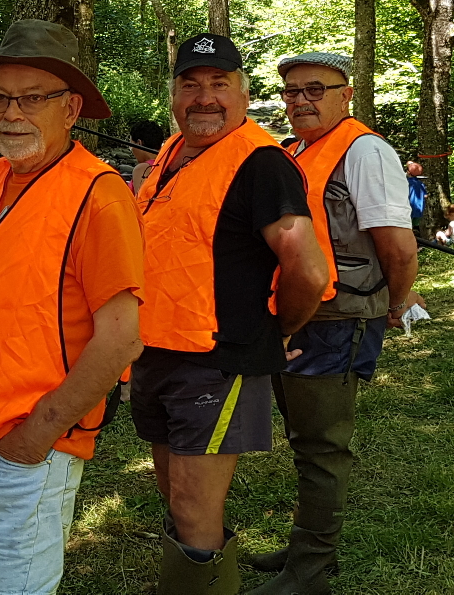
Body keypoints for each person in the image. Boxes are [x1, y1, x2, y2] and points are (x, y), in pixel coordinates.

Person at [0, 20, 145, 595]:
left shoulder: (100, 194)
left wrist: (38, 434)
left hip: (24, 446)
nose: (10, 113)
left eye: (32, 98)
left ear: (70, 110)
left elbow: (121, 338)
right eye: (0, 97)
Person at [129, 33, 329, 595]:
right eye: (191, 85)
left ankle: (200, 586)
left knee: (193, 501)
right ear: (173, 95)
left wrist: (277, 329)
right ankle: (196, 581)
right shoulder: (171, 155)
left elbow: (308, 271)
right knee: (174, 489)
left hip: (219, 358)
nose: (204, 98)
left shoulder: (263, 164)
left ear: (242, 92)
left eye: (219, 84)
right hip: (157, 351)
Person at [247, 52, 423, 595]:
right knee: (304, 440)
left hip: (339, 318)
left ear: (347, 94)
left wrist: (393, 306)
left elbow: (398, 247)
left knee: (322, 446)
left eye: (315, 89)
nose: (301, 100)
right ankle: (306, 546)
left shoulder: (365, 151)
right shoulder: (295, 151)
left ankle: (312, 569)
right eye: (292, 92)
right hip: (295, 312)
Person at [128, 117, 165, 190]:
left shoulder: (143, 168)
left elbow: (141, 200)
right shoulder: (169, 163)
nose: (131, 150)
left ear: (139, 143)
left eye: (131, 145)